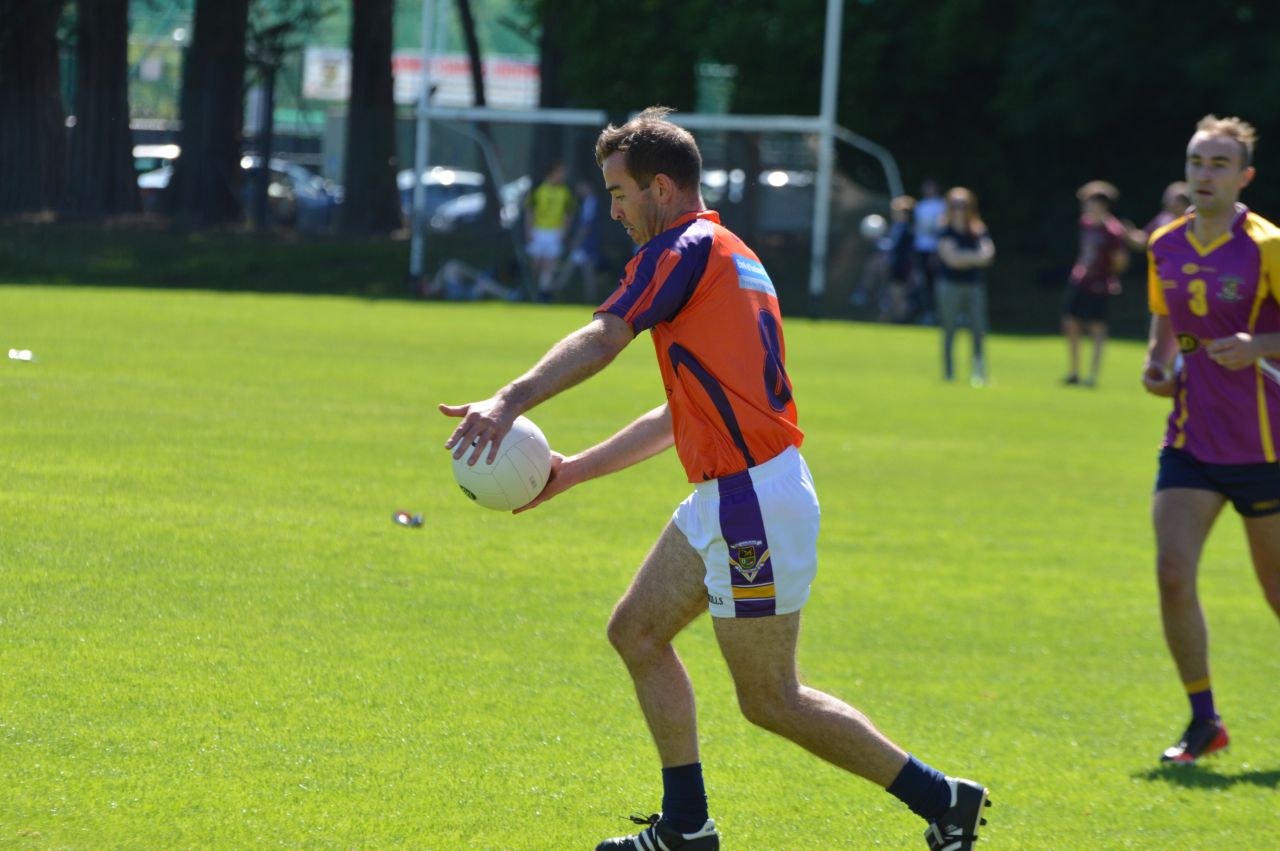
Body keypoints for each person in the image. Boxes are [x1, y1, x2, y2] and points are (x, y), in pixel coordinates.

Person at [440, 107, 990, 851]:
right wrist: (571, 473)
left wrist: (508, 400)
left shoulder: (680, 249)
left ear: (661, 189)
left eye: (620, 192)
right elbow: (680, 414)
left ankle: (942, 798)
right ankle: (686, 827)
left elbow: (605, 335)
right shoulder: (731, 254)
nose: (614, 210)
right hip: (732, 496)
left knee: (771, 698)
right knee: (636, 633)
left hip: (751, 499)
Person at [1142, 114, 1280, 764]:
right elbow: (1164, 323)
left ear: (1244, 176)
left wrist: (1260, 345)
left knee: (1277, 593)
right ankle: (1205, 721)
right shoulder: (1164, 243)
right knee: (1173, 573)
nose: (1205, 173)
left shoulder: (1268, 245)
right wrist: (1156, 365)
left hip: (1266, 447)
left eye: (1220, 164)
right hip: (1192, 439)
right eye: (1198, 161)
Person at [1062, 180, 1130, 387]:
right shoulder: (1085, 223)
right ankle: (1074, 371)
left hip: (1099, 285)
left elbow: (1120, 261)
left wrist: (1108, 276)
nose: (1085, 206)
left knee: (1096, 328)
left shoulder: (1113, 230)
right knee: (1071, 323)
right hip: (1079, 280)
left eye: (1089, 201)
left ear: (1101, 204)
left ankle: (1092, 375)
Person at [935, 187, 995, 386]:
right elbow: (951, 259)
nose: (959, 209)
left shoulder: (978, 229)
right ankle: (949, 373)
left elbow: (987, 256)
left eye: (963, 205)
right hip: (949, 285)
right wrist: (973, 257)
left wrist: (963, 256)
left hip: (973, 285)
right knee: (949, 329)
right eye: (955, 205)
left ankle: (978, 371)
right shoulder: (945, 229)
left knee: (978, 329)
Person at [525, 161, 576, 301]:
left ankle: (544, 293)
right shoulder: (539, 189)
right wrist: (529, 230)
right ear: (551, 173)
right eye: (560, 172)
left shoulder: (565, 191)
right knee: (536, 264)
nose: (562, 175)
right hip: (538, 231)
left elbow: (568, 213)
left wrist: (564, 231)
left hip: (554, 232)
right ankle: (532, 290)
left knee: (549, 264)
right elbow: (530, 210)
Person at [555, 177, 603, 303]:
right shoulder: (588, 202)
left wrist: (577, 241)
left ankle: (553, 295)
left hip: (586, 244)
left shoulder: (591, 202)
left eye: (581, 187)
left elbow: (586, 226)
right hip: (585, 243)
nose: (579, 190)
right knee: (579, 271)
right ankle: (555, 294)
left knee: (585, 273)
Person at [911, 179, 946, 324]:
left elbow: (941, 229)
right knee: (923, 283)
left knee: (938, 283)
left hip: (936, 250)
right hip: (921, 249)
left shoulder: (942, 205)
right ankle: (928, 313)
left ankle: (944, 313)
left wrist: (937, 252)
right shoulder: (919, 206)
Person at [419, 259, 519, 301]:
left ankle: (481, 275)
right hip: (463, 296)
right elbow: (437, 291)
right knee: (484, 284)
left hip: (464, 290)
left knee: (451, 265)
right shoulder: (434, 287)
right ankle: (482, 276)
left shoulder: (438, 279)